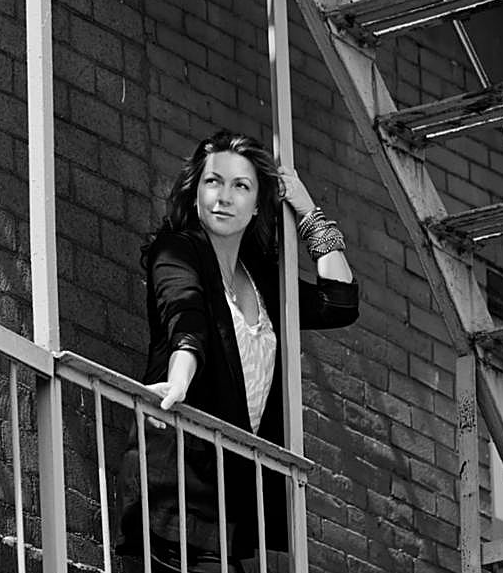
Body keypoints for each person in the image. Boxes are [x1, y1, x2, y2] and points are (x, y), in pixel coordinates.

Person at [116, 130, 359, 572]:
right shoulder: (178, 251)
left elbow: (338, 302)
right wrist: (179, 379)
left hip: (231, 499)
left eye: (240, 186)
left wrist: (308, 212)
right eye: (213, 182)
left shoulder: (262, 278)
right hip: (179, 482)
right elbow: (185, 318)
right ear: (195, 192)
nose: (224, 197)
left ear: (257, 203)